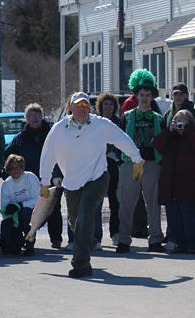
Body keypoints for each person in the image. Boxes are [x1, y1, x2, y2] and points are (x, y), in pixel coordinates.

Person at [39, 92, 142, 278]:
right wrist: (44, 181)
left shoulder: (100, 124)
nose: (83, 109)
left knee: (86, 212)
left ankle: (81, 264)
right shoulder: (59, 129)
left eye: (86, 105)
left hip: (98, 177)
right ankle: (89, 239)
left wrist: (137, 158)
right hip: (72, 182)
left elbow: (121, 138)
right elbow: (48, 154)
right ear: (70, 107)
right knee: (75, 222)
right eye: (78, 105)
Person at [117, 70, 165, 254]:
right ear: (136, 96)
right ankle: (123, 240)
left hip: (152, 165)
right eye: (141, 95)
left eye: (148, 95)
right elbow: (118, 140)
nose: (144, 98)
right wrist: (120, 162)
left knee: (153, 204)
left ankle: (154, 239)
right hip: (129, 164)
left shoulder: (159, 119)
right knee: (126, 203)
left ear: (152, 97)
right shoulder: (127, 116)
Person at [5, 103, 63, 248]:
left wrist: (59, 175)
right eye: (31, 115)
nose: (35, 118)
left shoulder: (52, 134)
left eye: (37, 115)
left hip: (51, 178)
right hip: (30, 181)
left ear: (42, 117)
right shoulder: (20, 138)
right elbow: (8, 157)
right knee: (33, 210)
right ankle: (30, 239)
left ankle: (56, 239)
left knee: (53, 209)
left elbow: (61, 155)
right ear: (26, 118)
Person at [153, 109, 195, 254]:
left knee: (190, 216)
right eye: (177, 121)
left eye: (183, 121)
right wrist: (170, 131)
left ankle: (194, 243)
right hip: (171, 185)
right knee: (174, 217)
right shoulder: (170, 135)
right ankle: (180, 243)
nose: (179, 124)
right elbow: (157, 144)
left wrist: (187, 131)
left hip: (189, 184)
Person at [0, 154, 39, 256]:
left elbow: (38, 200)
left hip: (35, 213)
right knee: (6, 224)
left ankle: (30, 246)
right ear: (8, 170)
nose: (16, 171)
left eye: (19, 167)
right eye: (12, 168)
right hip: (16, 215)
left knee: (26, 214)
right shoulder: (6, 185)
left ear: (23, 168)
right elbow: (4, 208)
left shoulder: (30, 177)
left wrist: (22, 205)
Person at [97, 92, 122, 246]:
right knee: (96, 201)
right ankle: (95, 237)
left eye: (111, 104)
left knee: (115, 201)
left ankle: (115, 233)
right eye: (105, 104)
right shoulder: (94, 122)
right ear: (100, 106)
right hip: (97, 165)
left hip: (113, 165)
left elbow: (122, 142)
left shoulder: (119, 123)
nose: (108, 107)